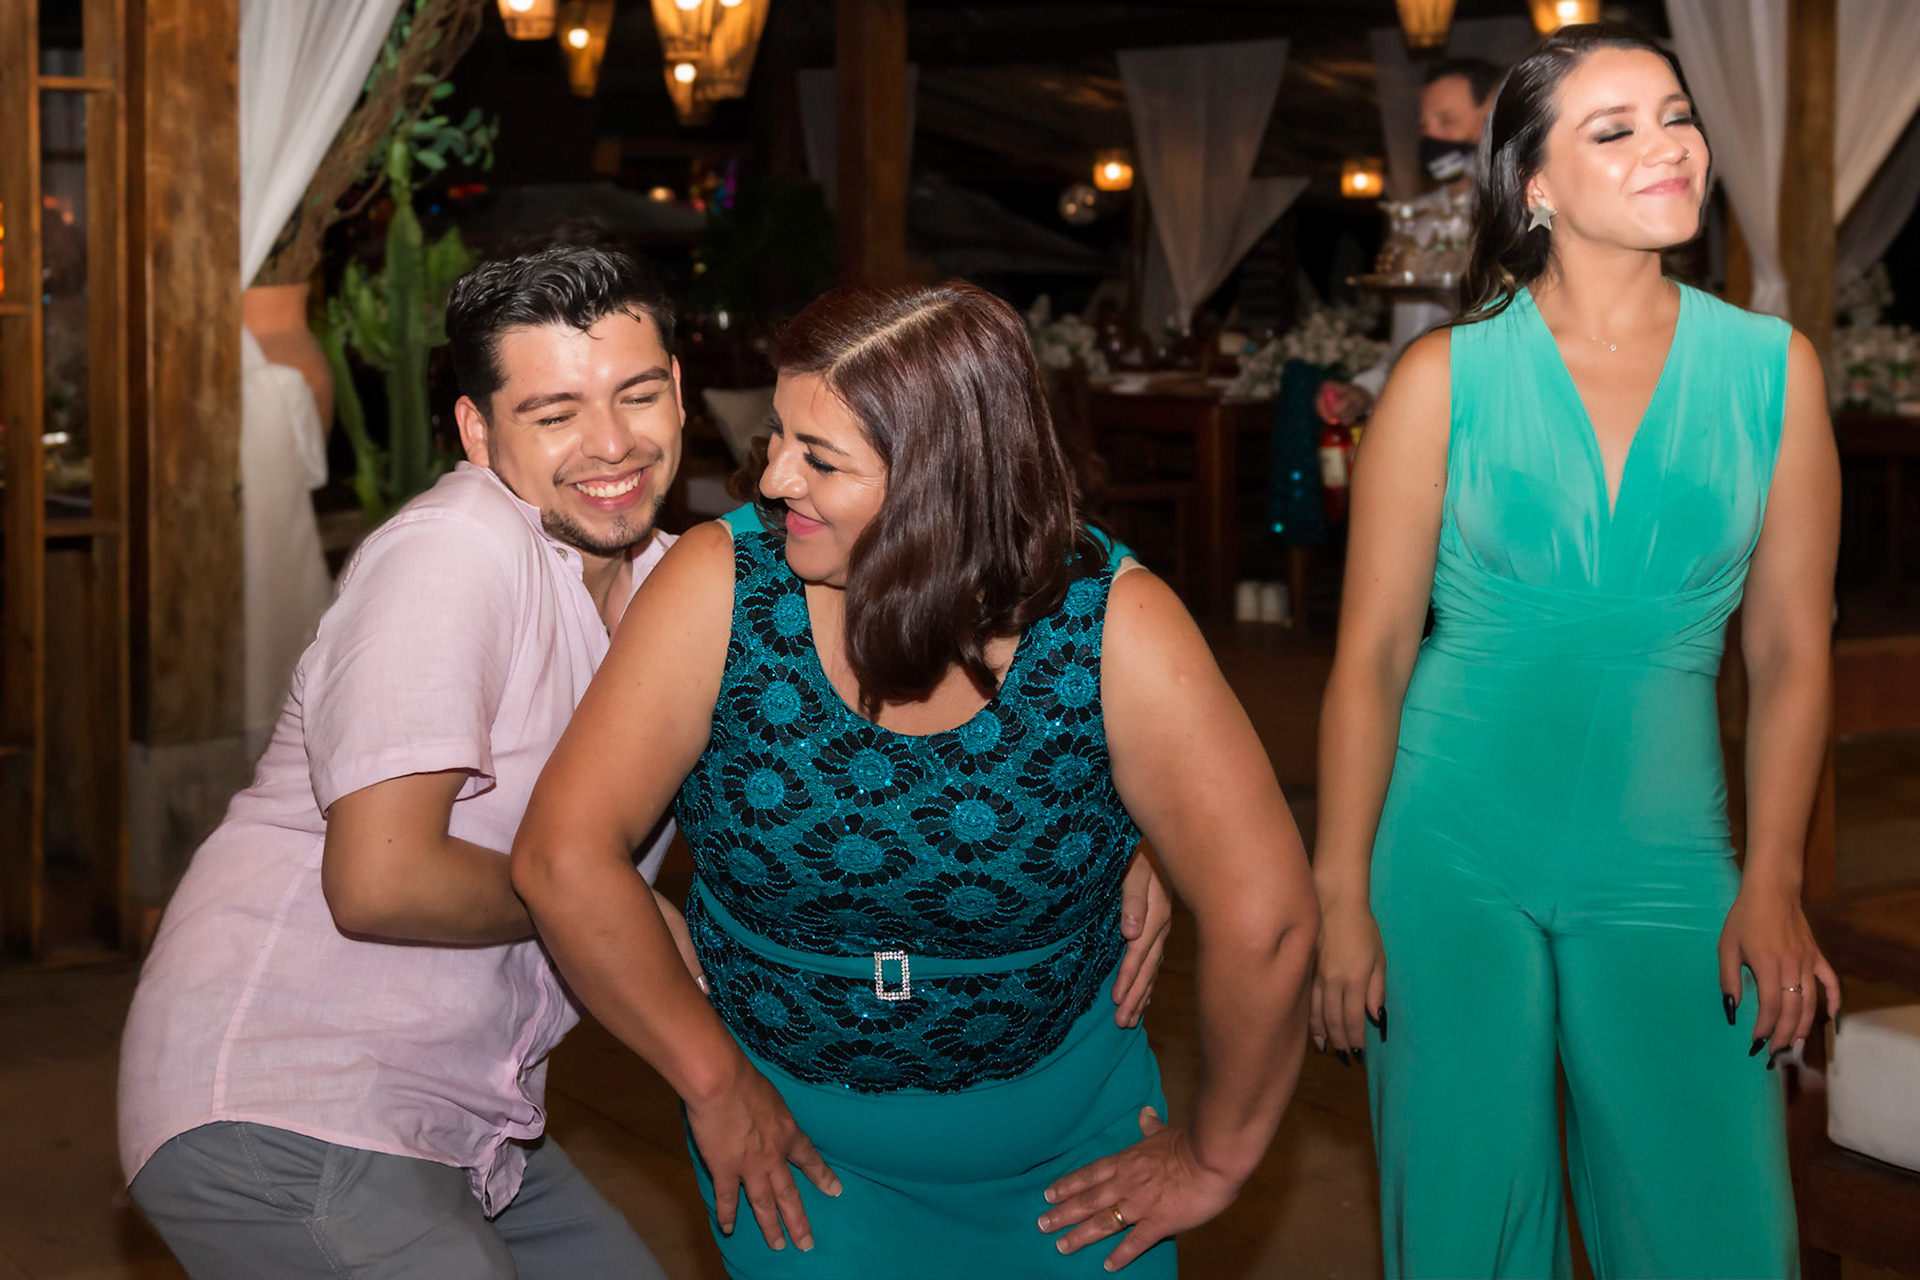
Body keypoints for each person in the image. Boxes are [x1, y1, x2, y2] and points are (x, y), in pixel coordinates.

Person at [117, 245, 1172, 1280]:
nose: (611, 444)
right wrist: (621, 904)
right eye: (554, 413)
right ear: (477, 431)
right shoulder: (455, 549)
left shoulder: (687, 581)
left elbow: (899, 748)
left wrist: (1102, 834)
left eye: (635, 395)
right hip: (290, 1094)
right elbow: (380, 879)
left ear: (677, 387)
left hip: (470, 1116)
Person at [511, 281, 1319, 1278]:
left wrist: (1216, 1157)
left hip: (1076, 1168)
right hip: (794, 1162)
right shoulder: (721, 587)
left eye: (820, 458)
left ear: (941, 481)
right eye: (777, 436)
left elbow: (1268, 918)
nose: (773, 478)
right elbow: (562, 857)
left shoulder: (1113, 626)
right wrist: (714, 1084)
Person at [1312, 24, 1840, 1278]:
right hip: (1448, 852)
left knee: (1720, 1228)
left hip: (1670, 854)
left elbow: (1789, 650)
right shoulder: (1441, 379)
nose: (1671, 145)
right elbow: (1371, 657)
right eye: (1617, 128)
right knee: (1465, 1233)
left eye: (1677, 115)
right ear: (1536, 184)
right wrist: (1337, 895)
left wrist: (1772, 878)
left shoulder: (1773, 371)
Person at [1320, 56, 1503, 427]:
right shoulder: (1417, 220)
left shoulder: (1514, 219)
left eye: (1447, 121)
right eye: (1425, 126)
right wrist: (1365, 390)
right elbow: (1407, 341)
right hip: (1416, 419)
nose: (1431, 137)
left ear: (1491, 124)